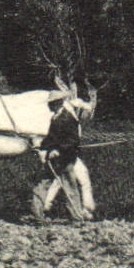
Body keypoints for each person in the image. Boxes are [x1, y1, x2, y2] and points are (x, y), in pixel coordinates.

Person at [32, 92, 95, 222]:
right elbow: (50, 138)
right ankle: (37, 215)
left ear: (59, 103)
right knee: (42, 183)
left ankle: (77, 218)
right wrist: (42, 147)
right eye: (49, 103)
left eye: (52, 103)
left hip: (65, 159)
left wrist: (58, 150)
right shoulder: (55, 117)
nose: (49, 105)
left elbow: (73, 140)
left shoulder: (67, 118)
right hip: (53, 159)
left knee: (69, 187)